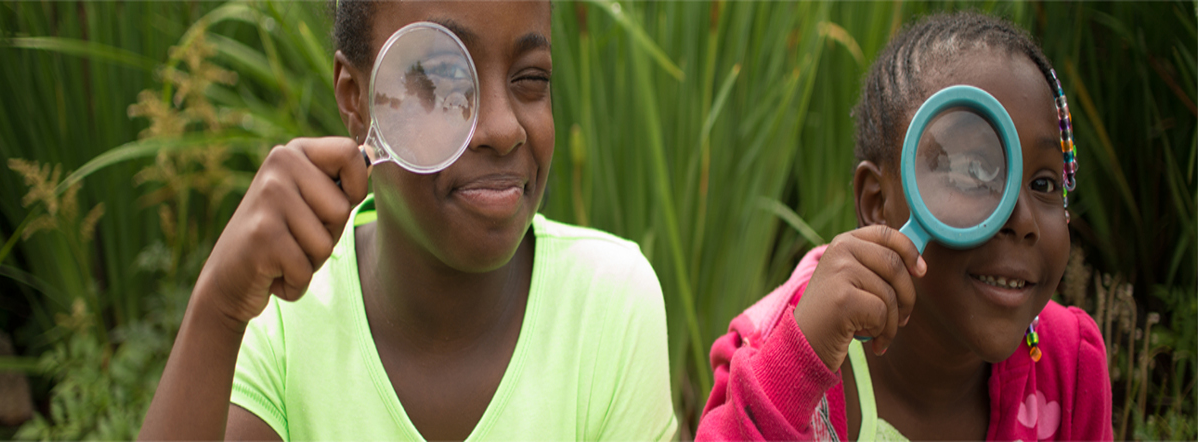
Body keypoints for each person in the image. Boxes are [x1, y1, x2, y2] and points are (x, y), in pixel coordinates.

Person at [138, 1, 677, 440]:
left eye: (530, 78)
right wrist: (219, 310)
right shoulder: (280, 319)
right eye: (441, 80)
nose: (503, 127)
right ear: (356, 100)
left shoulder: (608, 304)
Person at [696, 11, 1110, 441]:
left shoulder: (1069, 369)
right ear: (877, 203)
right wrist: (800, 360)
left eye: (1044, 183)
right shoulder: (778, 362)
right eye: (972, 171)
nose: (1022, 220)